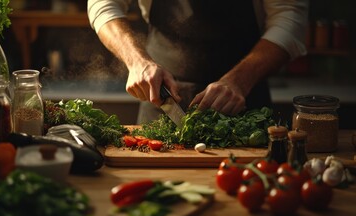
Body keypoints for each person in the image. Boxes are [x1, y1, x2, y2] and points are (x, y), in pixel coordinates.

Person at [87, 0, 309, 123]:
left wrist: (240, 81)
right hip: (161, 99)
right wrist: (137, 61)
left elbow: (290, 18)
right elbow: (103, 3)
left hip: (245, 105)